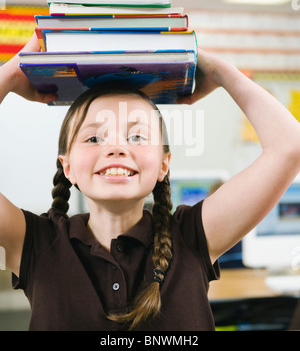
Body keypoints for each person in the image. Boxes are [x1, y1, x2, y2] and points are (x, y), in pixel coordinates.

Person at [1, 34, 300, 331]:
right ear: (68, 168)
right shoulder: (37, 243)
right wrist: (13, 73)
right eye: (94, 138)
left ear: (163, 164)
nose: (116, 149)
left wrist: (220, 72)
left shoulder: (192, 236)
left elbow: (289, 146)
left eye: (137, 136)